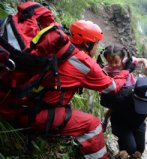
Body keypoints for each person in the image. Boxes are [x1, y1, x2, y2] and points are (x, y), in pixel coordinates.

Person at [0, 20, 136, 159]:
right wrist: (126, 71)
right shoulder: (82, 61)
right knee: (93, 125)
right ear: (88, 43)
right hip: (27, 111)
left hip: (12, 99)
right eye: (96, 43)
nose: (98, 47)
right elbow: (112, 87)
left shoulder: (60, 46)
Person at [97, 45, 147, 132]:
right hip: (119, 91)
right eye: (109, 62)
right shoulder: (106, 69)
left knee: (138, 99)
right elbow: (102, 82)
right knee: (113, 108)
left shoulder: (127, 62)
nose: (113, 65)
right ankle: (105, 119)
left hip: (131, 86)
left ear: (122, 58)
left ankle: (143, 113)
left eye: (116, 62)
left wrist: (146, 65)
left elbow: (142, 59)